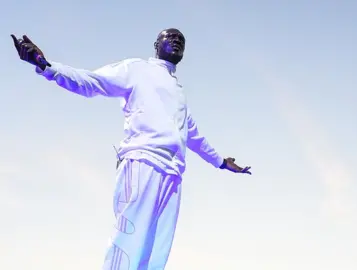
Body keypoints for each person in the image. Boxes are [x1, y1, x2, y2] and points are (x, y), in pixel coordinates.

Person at [11, 29, 251, 270]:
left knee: (155, 250)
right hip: (142, 163)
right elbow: (92, 81)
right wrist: (47, 66)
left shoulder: (178, 92)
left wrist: (220, 161)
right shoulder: (137, 70)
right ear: (156, 44)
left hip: (172, 175)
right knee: (128, 242)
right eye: (171, 37)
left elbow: (194, 136)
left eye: (181, 40)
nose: (177, 41)